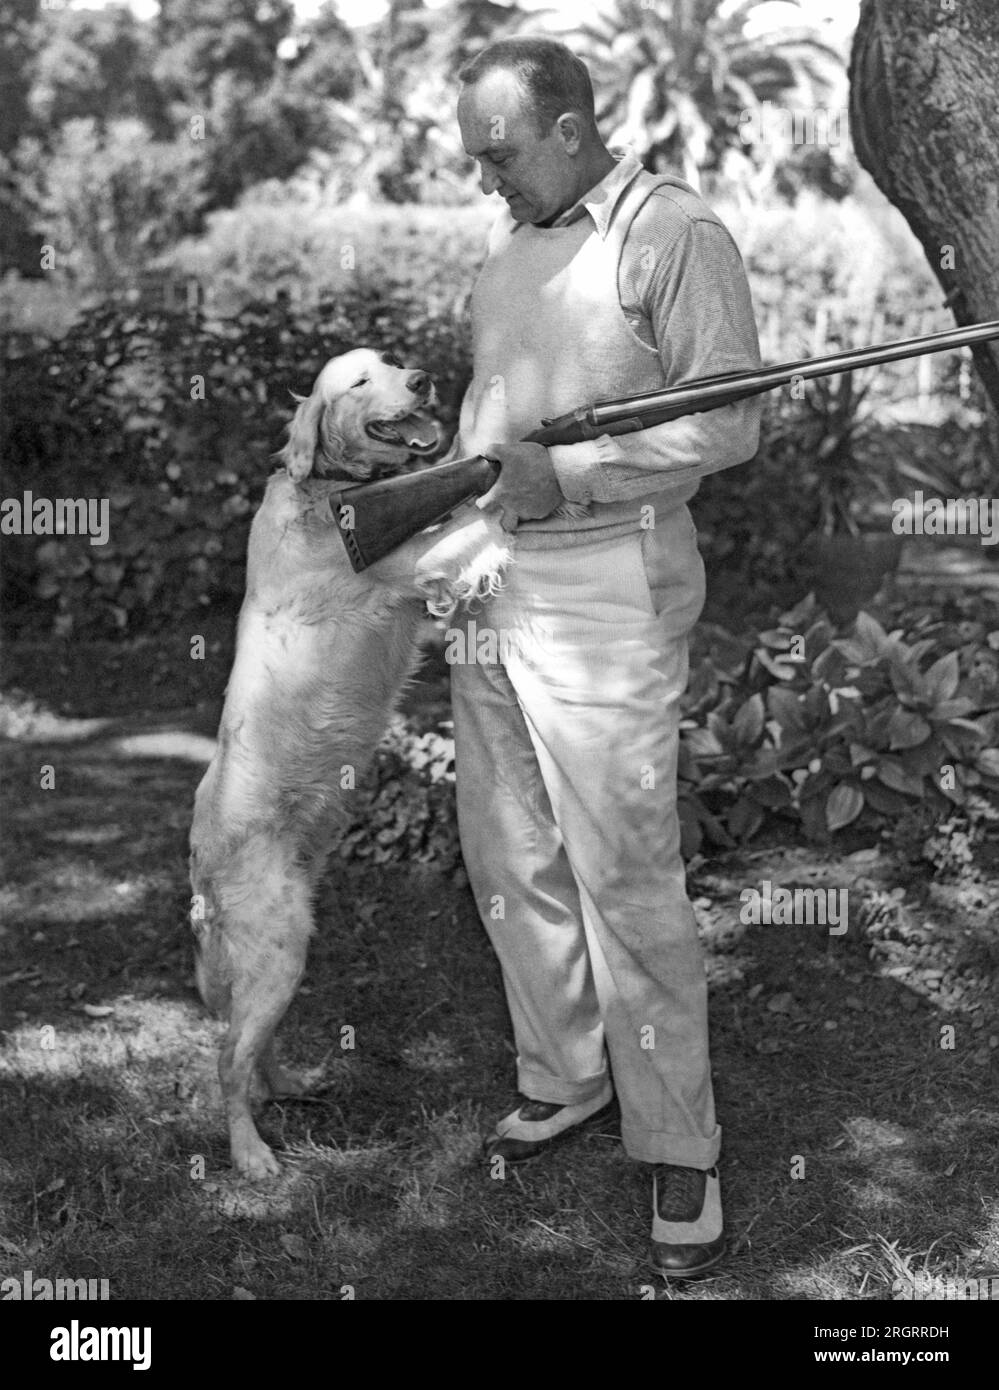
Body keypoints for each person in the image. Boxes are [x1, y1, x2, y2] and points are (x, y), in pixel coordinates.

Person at [447, 35, 762, 1277]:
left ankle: (681, 1147)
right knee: (509, 849)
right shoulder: (511, 248)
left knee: (625, 872)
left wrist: (567, 473)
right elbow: (495, 420)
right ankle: (566, 1071)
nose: (486, 176)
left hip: (609, 586)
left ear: (570, 128)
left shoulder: (676, 234)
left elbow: (728, 418)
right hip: (497, 581)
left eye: (501, 151)